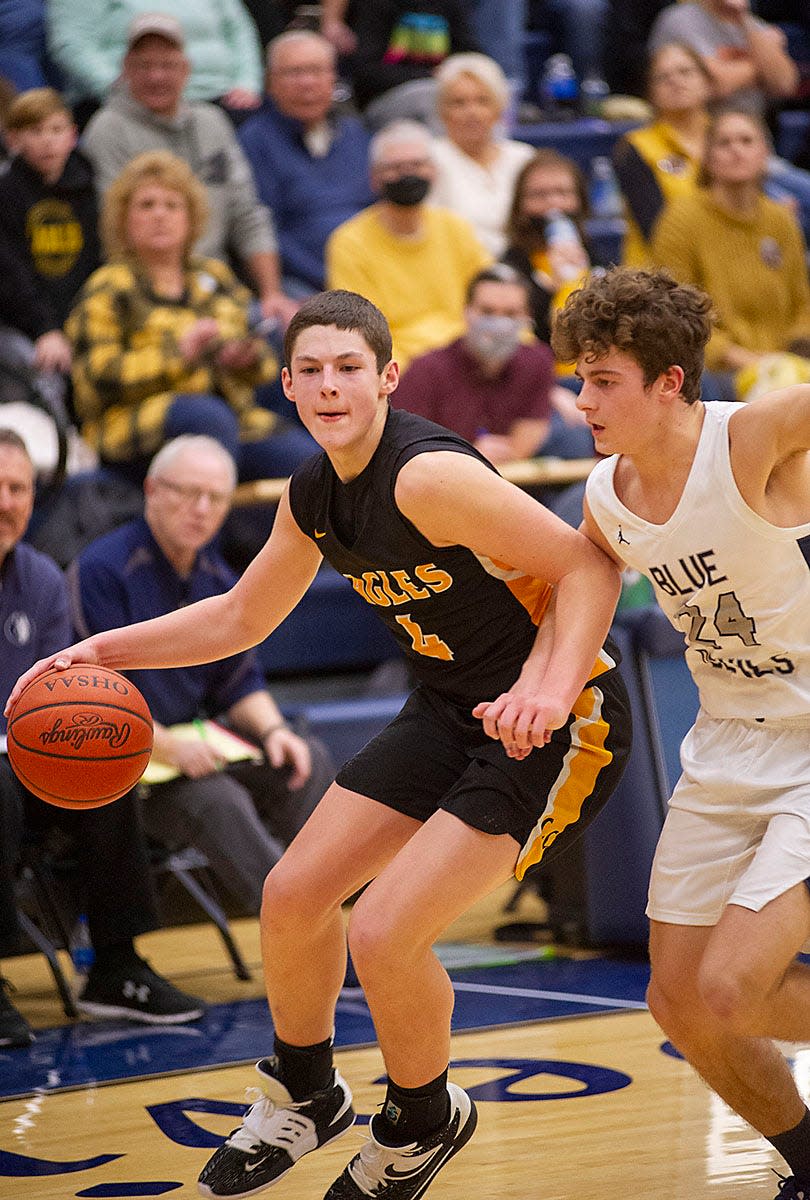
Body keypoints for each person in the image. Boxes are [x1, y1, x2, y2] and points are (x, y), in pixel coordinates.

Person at [8, 288, 632, 1198]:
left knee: (385, 932)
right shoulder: (311, 493)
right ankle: (306, 1094)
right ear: (289, 387)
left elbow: (588, 563)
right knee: (294, 895)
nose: (331, 386)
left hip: (560, 719)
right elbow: (239, 615)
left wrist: (544, 687)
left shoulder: (427, 477)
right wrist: (102, 650)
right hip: (455, 704)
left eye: (350, 368)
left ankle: (423, 1120)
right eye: (312, 370)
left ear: (385, 379)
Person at [552, 263, 810, 1200]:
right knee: (681, 1000)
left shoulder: (752, 438)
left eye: (604, 380)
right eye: (580, 378)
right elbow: (575, 601)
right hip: (727, 747)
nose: (583, 400)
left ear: (669, 382)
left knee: (735, 987)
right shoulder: (603, 497)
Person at [69, 434, 334, 915]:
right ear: (151, 490)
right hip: (128, 764)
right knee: (218, 799)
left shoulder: (218, 575)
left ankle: (326, 903)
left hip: (198, 751)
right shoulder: (103, 570)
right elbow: (87, 693)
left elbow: (238, 680)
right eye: (187, 492)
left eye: (215, 498)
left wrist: (274, 731)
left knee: (303, 761)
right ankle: (300, 922)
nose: (201, 509)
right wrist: (169, 746)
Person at [0, 428, 205, 1047]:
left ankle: (116, 966)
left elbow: (59, 691)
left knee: (103, 765)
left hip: (17, 759)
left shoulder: (37, 577)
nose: (6, 501)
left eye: (18, 488)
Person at [66, 150, 317, 481]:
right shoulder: (107, 287)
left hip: (234, 421)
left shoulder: (215, 276)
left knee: (313, 465)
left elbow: (266, 367)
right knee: (206, 418)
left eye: (172, 205)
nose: (160, 215)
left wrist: (244, 359)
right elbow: (96, 381)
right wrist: (179, 356)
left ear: (191, 218)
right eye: (146, 205)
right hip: (133, 428)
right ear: (123, 219)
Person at [81, 14, 296, 329]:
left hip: (218, 284)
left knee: (285, 330)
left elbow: (247, 213)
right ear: (126, 69)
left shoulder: (212, 122)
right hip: (143, 291)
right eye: (144, 66)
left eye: (167, 65)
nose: (156, 76)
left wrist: (271, 293)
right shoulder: (107, 129)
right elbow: (114, 228)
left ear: (186, 69)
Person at [651, 108, 810, 392]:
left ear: (764, 153)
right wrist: (746, 360)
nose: (736, 150)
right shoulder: (682, 219)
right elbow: (675, 314)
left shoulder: (781, 219)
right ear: (708, 158)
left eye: (746, 141)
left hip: (788, 363)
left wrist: (788, 357)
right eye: (724, 143)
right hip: (716, 370)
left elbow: (803, 303)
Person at [614, 41, 810, 268]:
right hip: (665, 274)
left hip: (738, 258)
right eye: (663, 77)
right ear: (651, 93)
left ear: (707, 83)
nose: (676, 82)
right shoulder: (636, 146)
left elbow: (753, 199)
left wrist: (773, 214)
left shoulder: (731, 135)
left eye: (685, 72)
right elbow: (656, 229)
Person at [326, 119, 491, 370]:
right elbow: (359, 333)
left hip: (471, 358)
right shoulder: (349, 242)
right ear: (375, 178)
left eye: (417, 165)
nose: (407, 175)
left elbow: (492, 297)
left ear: (433, 172)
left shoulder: (456, 228)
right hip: (399, 369)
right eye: (395, 167)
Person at [394, 262, 592, 465]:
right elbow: (403, 448)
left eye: (510, 314)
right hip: (442, 481)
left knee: (574, 438)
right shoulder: (426, 370)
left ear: (526, 318)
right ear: (466, 312)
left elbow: (524, 442)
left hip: (517, 481)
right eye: (488, 311)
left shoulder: (537, 362)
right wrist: (468, 454)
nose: (498, 323)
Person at [238, 30, 373, 296]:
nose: (307, 82)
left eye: (316, 71)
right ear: (270, 82)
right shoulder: (255, 140)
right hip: (304, 283)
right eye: (294, 72)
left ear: (333, 79)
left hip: (370, 274)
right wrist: (334, 279)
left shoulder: (356, 133)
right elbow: (265, 229)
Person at [0, 87, 101, 412]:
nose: (48, 141)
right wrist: (46, 329)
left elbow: (96, 263)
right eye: (36, 131)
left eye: (56, 130)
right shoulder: (7, 193)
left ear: (73, 135)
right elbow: (12, 275)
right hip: (21, 324)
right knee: (43, 371)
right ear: (13, 139)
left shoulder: (88, 187)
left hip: (80, 316)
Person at [46, 0, 264, 120]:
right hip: (130, 103)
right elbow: (72, 43)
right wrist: (118, 89)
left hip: (221, 98)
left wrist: (247, 83)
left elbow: (239, 30)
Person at [429, 52, 535, 256]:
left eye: (483, 101)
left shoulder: (524, 157)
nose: (472, 112)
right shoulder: (429, 158)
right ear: (442, 111)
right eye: (459, 103)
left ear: (499, 108)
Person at [501, 148, 598, 351]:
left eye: (563, 193)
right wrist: (549, 287)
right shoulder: (511, 263)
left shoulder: (592, 251)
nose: (554, 203)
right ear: (520, 205)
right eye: (539, 195)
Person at [648, 0, 799, 115]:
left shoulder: (753, 25)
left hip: (754, 127)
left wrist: (743, 18)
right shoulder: (678, 20)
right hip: (704, 128)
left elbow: (785, 83)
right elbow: (715, 82)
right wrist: (763, 66)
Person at [348, 0, 479, 131]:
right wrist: (431, 75)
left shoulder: (449, 5)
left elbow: (472, 55)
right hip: (385, 98)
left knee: (483, 98)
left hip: (442, 89)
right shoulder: (376, 5)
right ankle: (444, 151)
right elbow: (367, 72)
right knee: (430, 96)